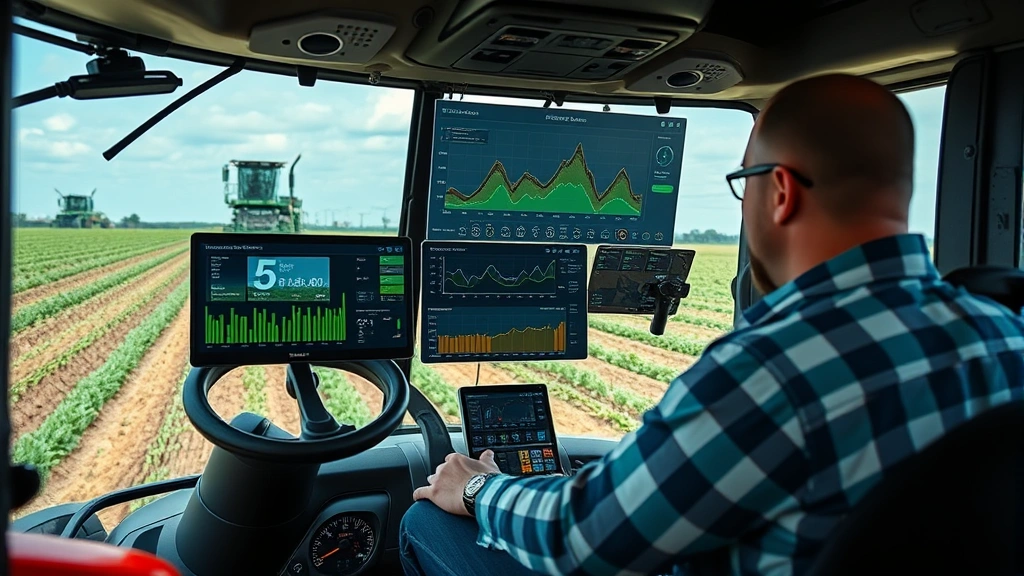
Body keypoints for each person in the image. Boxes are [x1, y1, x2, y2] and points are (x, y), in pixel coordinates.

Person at [399, 74, 1024, 576]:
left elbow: (587, 541)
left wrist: (480, 490)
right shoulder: (1004, 332)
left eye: (741, 185)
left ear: (780, 191)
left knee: (429, 522)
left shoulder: (771, 370)